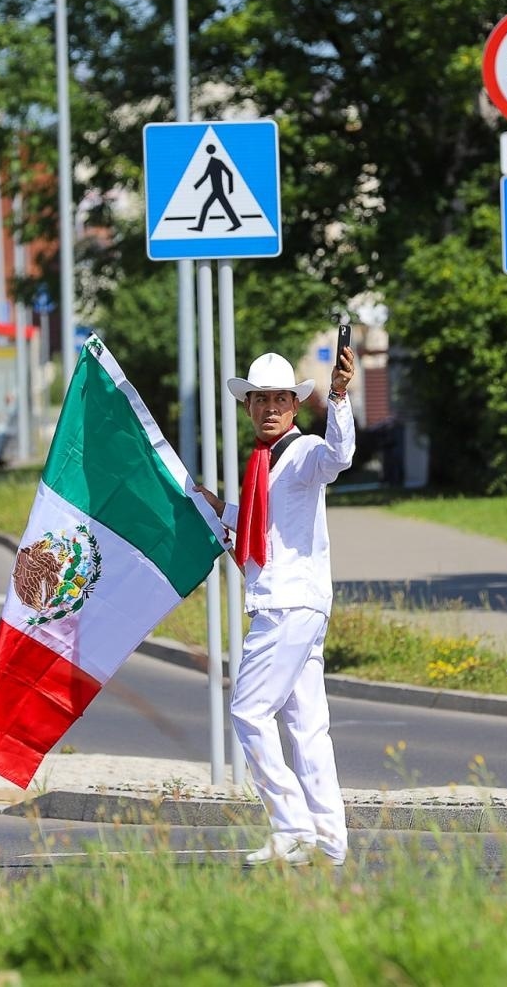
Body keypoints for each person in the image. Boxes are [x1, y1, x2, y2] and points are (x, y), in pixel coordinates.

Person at [196, 346, 355, 867]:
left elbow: (339, 456)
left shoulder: (306, 450)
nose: (269, 408)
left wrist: (337, 397)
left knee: (248, 710)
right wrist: (220, 508)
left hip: (288, 605)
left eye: (279, 400)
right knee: (307, 726)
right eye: (260, 399)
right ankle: (331, 842)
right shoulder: (261, 464)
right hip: (293, 603)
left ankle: (290, 825)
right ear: (248, 407)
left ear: (294, 404)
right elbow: (258, 526)